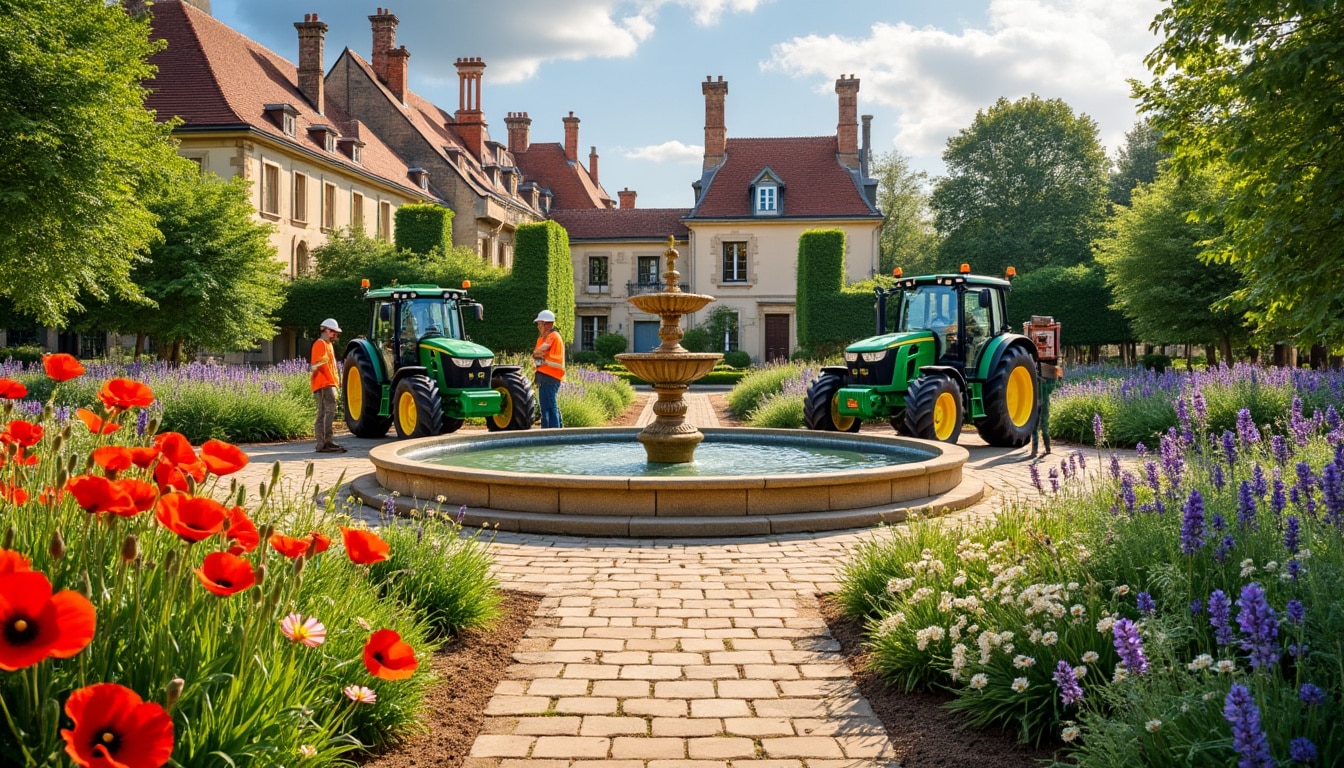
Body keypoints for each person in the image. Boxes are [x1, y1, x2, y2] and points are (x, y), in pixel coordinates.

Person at [311, 318, 346, 453]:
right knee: (327, 412)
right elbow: (318, 365)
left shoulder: (328, 345)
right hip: (324, 383)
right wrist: (332, 382)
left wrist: (336, 381)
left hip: (327, 383)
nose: (335, 335)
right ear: (325, 330)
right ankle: (325, 442)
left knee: (325, 412)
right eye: (333, 332)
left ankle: (324, 443)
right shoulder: (320, 344)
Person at [532, 309, 565, 429]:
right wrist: (537, 355)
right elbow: (536, 355)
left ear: (547, 324)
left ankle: (553, 433)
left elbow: (539, 351)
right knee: (546, 407)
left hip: (552, 376)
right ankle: (549, 431)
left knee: (550, 406)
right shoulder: (541, 339)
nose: (538, 327)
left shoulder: (553, 336)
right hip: (544, 376)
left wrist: (539, 355)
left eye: (539, 324)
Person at [1031, 361, 1062, 457]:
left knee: (1034, 424)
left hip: (1036, 402)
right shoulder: (1052, 379)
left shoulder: (1038, 373)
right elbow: (1058, 385)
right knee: (1045, 424)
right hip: (1045, 403)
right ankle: (1047, 448)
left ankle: (1034, 450)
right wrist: (1059, 377)